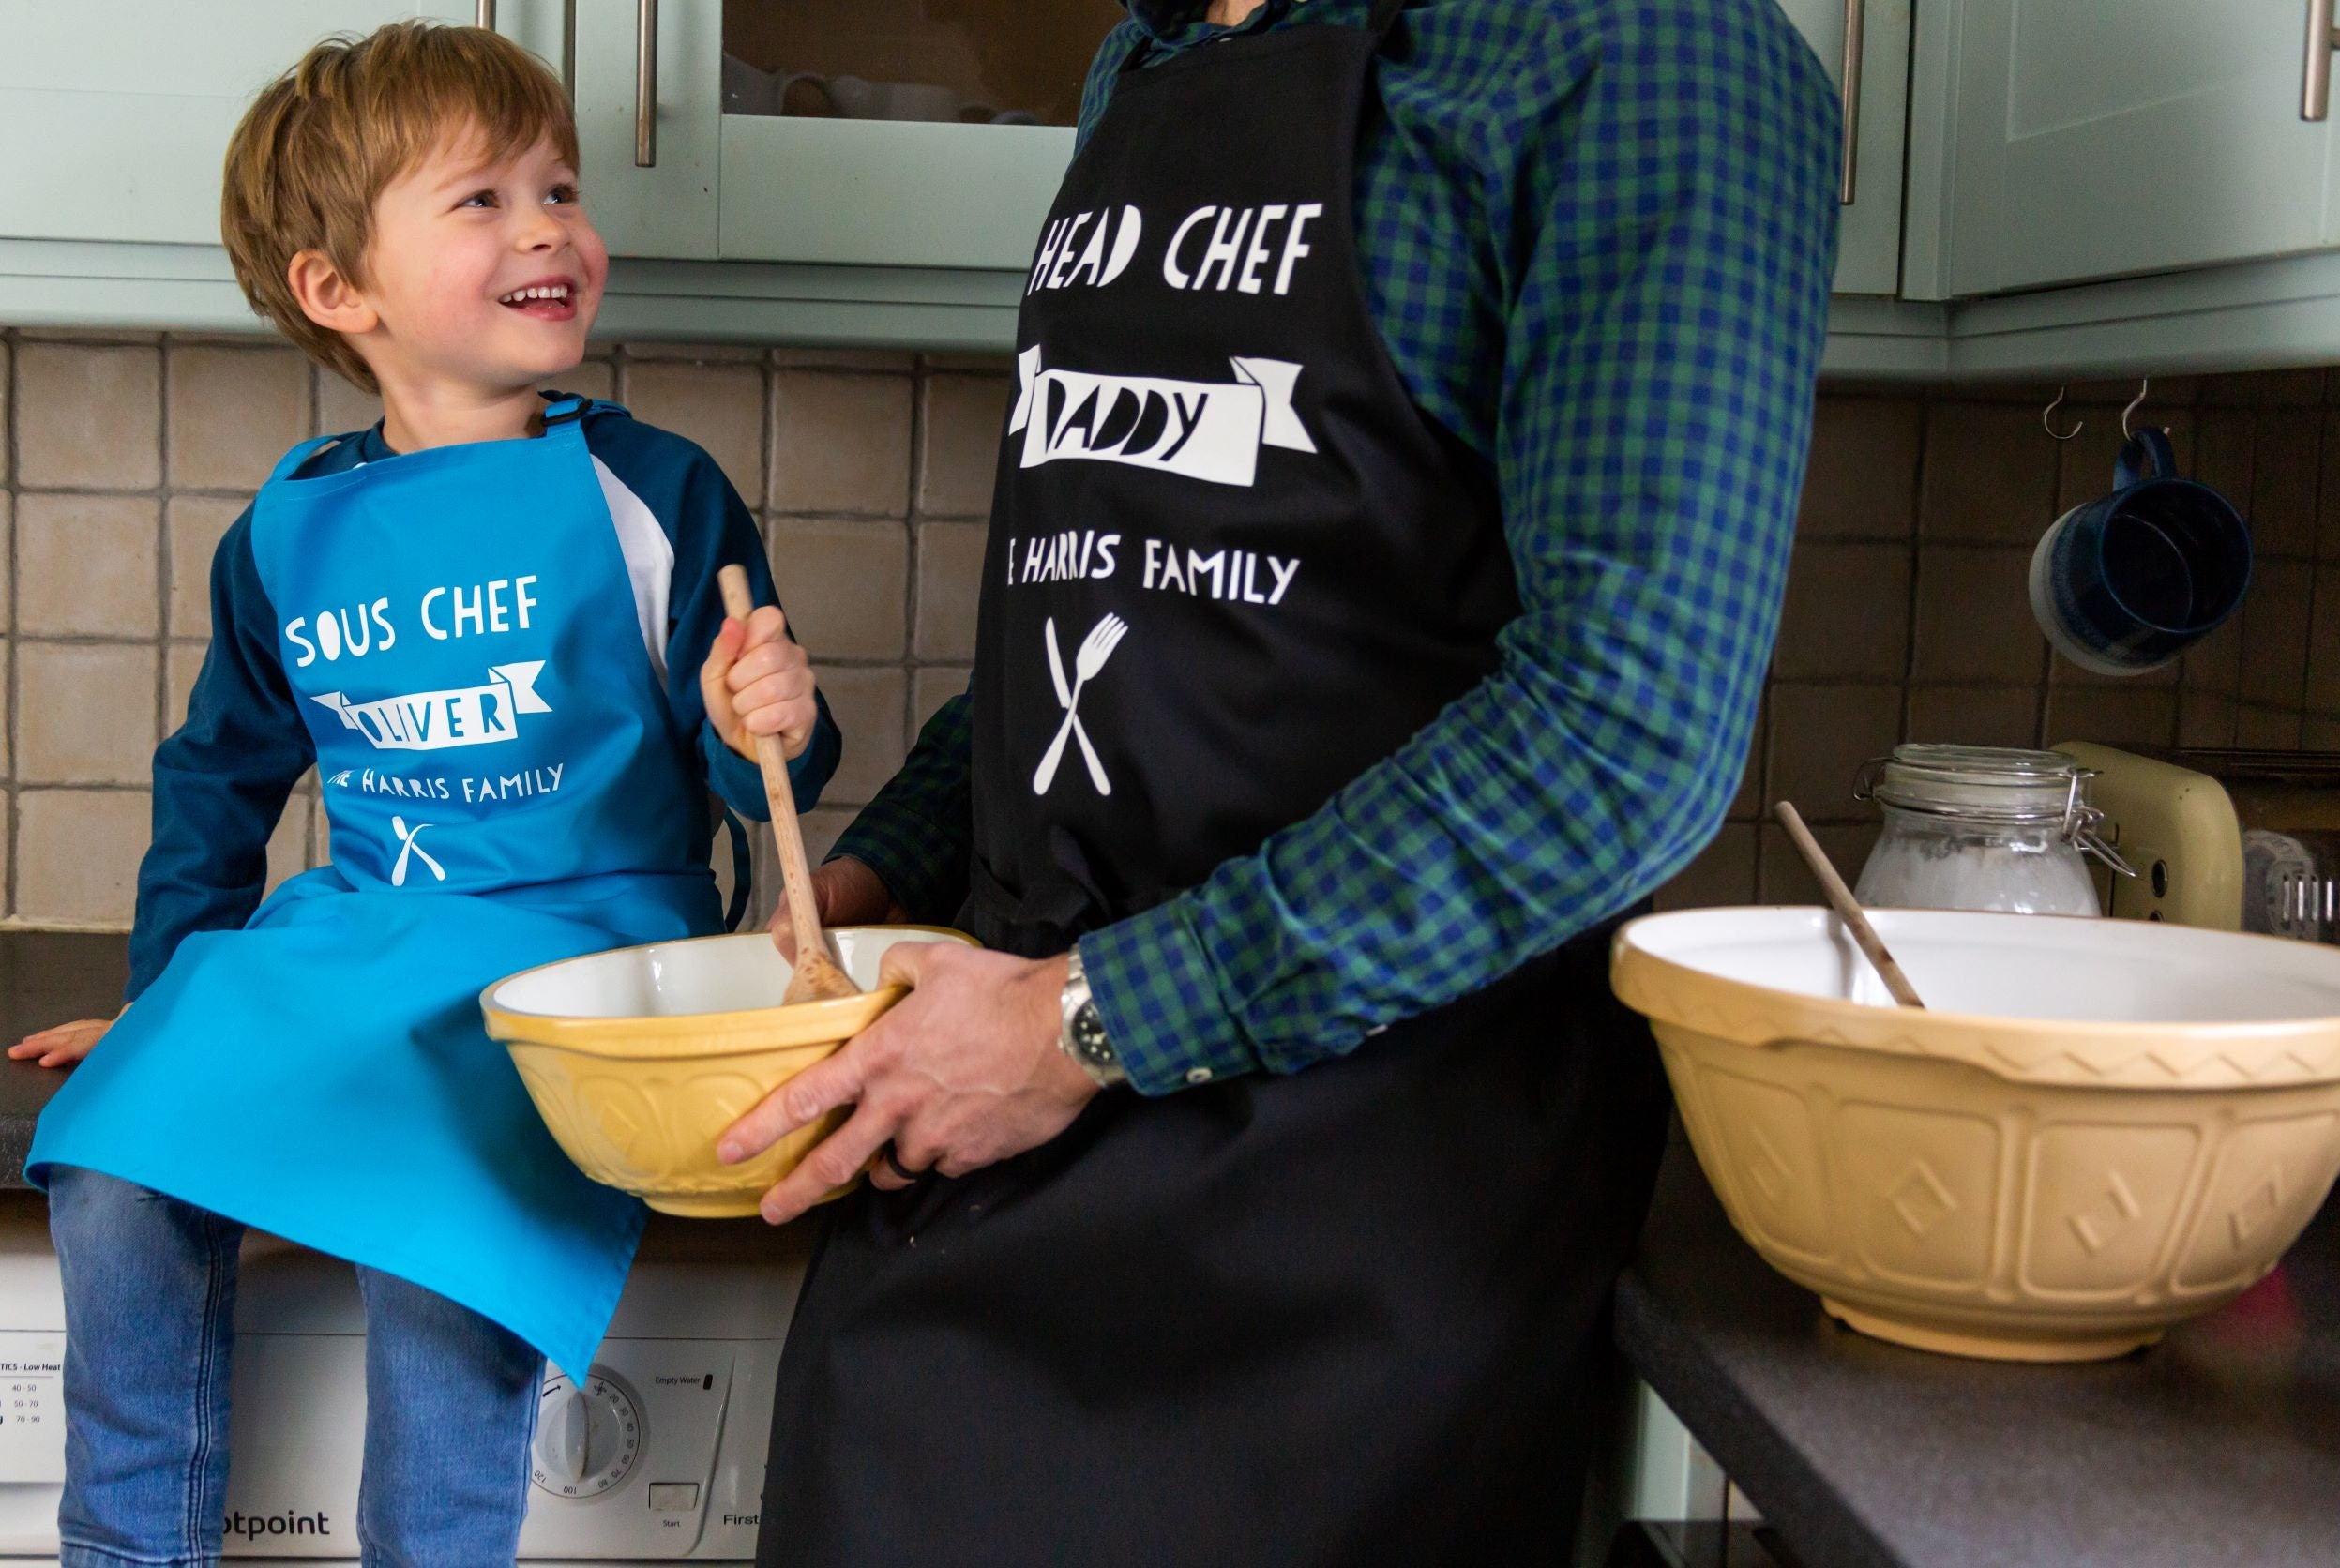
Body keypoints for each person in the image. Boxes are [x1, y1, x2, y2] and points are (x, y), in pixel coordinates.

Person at [725, 0, 1841, 1561]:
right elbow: (1114, 594)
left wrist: (1081, 1021)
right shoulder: (1156, 54)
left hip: (1351, 1239)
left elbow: (1625, 731)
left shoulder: (1648, 52)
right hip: (987, 1163)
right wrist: (878, 870)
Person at [8, 23, 839, 1567]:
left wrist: (761, 715)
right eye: (483, 201)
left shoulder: (655, 491)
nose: (549, 229)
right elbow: (218, 781)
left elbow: (762, 775)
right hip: (371, 930)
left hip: (583, 944)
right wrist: (167, 1002)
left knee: (441, 1237)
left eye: (561, 190)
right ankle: (129, 1547)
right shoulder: (287, 528)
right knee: (115, 1162)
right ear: (340, 288)